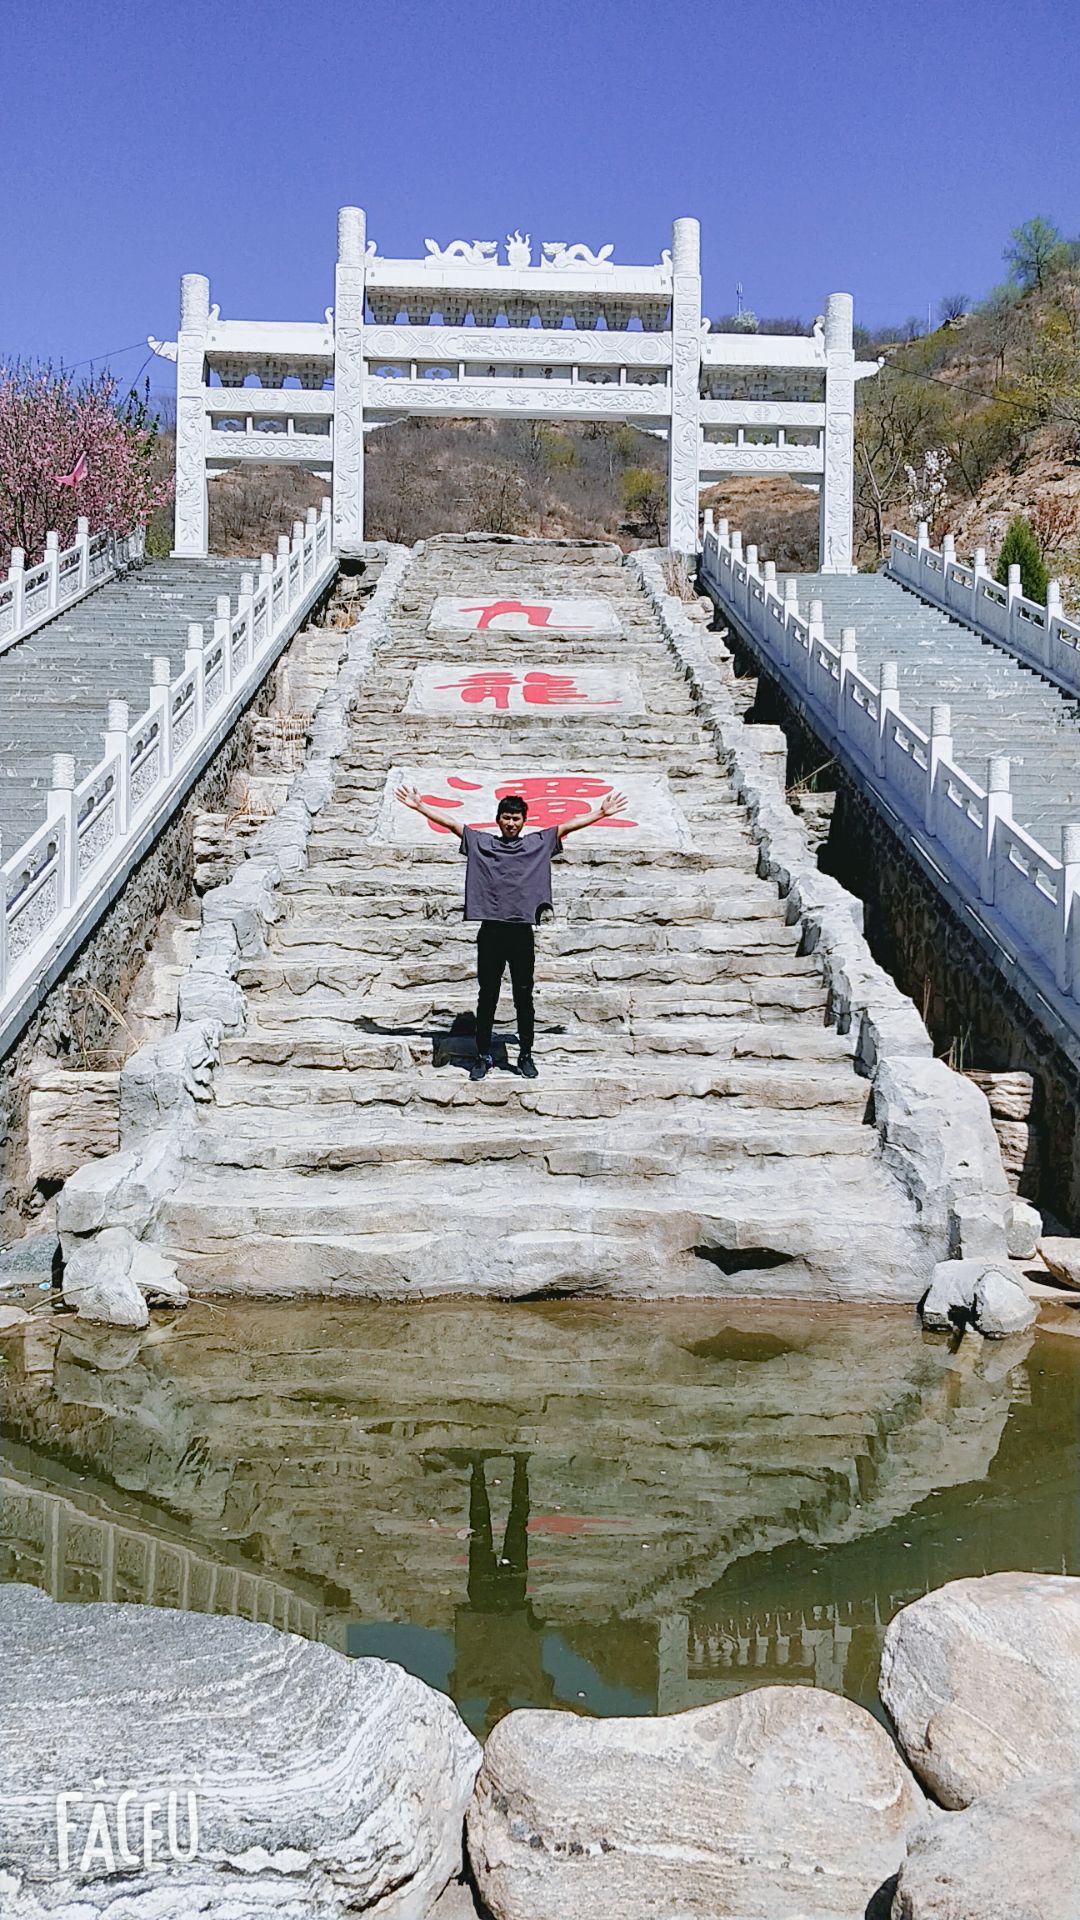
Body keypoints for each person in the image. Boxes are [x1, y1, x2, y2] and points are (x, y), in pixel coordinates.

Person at [393, 785, 627, 1079]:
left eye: (516, 818)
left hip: (521, 933)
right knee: (487, 996)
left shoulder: (537, 843)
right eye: (506, 818)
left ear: (524, 821)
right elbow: (453, 824)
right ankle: (482, 1056)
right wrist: (419, 807)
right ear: (498, 819)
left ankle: (526, 1055)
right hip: (491, 931)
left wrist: (601, 813)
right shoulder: (482, 843)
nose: (511, 823)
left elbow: (567, 826)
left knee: (523, 996)